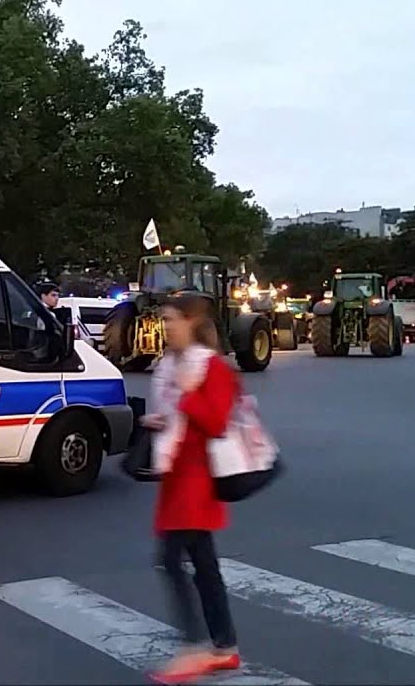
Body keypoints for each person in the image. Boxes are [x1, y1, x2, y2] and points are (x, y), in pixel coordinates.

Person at [142, 292, 241, 684]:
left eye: (171, 320)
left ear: (192, 323)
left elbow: (216, 422)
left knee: (170, 558)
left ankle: (196, 645)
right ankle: (224, 646)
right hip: (176, 475)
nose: (165, 327)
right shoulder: (171, 365)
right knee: (203, 565)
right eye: (163, 320)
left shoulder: (210, 368)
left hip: (197, 479)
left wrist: (187, 393)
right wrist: (160, 419)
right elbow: (178, 415)